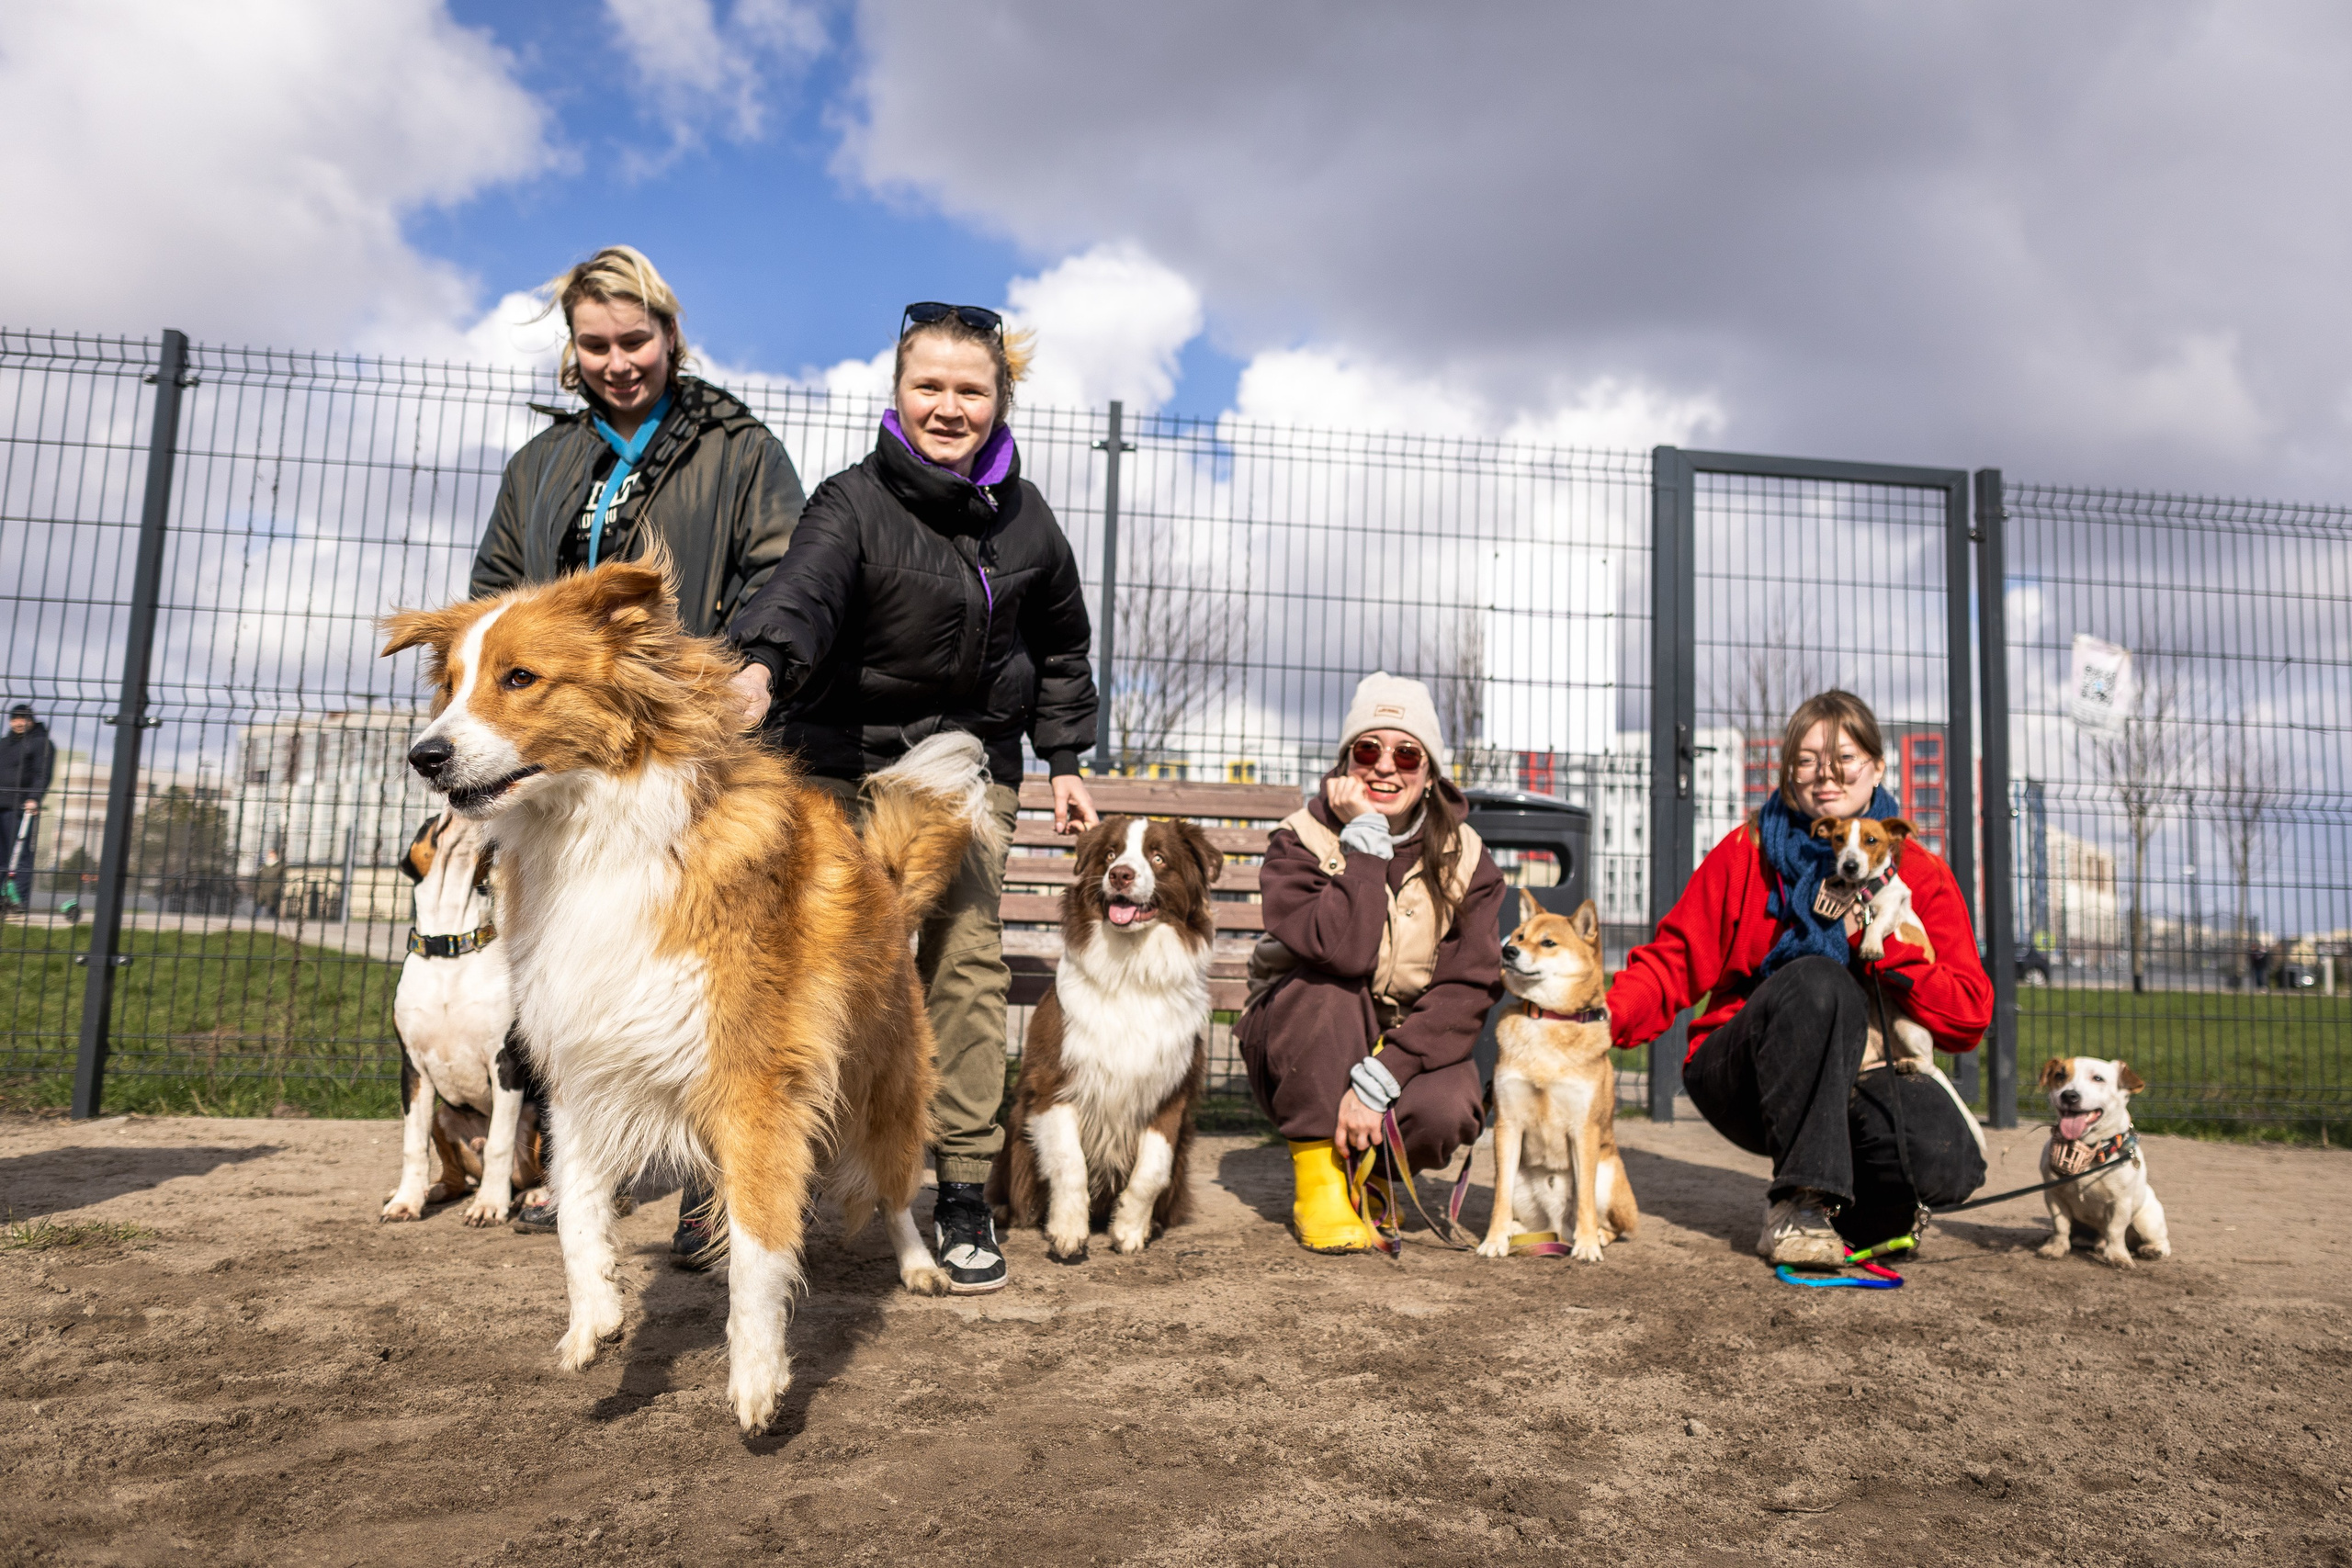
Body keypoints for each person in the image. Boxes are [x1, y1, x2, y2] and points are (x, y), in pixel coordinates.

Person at [730, 300, 1100, 1294]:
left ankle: (963, 1190)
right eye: (927, 386)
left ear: (998, 400)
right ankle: (777, 1171)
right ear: (898, 394)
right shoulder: (849, 502)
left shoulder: (1030, 521)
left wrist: (1065, 760)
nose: (947, 406)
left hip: (964, 766)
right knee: (805, 963)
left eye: (968, 389)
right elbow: (800, 592)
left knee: (965, 959)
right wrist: (760, 669)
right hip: (838, 757)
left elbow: (1061, 646)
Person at [468, 246, 807, 1245]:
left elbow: (781, 572)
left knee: (694, 963)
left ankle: (715, 1185)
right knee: (570, 957)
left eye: (635, 340)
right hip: (552, 756)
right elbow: (496, 587)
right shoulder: (542, 465)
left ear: (670, 335)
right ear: (570, 352)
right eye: (595, 344)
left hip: (685, 742)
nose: (617, 361)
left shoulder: (737, 447)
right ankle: (581, 1169)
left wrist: (746, 672)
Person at [1609, 690, 1992, 1262]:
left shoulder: (1919, 873)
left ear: (1878, 768)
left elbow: (1968, 1018)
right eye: (1807, 760)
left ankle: (1858, 1209)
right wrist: (1600, 1017)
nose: (1825, 776)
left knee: (1947, 1158)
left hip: (1866, 1068)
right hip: (1747, 1071)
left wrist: (1886, 947)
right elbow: (1673, 960)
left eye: (1844, 760)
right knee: (1818, 980)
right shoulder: (1750, 849)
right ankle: (1798, 1203)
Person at [1234, 672, 1507, 1254]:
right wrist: (1364, 842)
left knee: (1449, 1105)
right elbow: (1343, 952)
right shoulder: (1299, 839)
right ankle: (1322, 1183)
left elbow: (1470, 984)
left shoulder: (1470, 858)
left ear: (1429, 773)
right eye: (1368, 750)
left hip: (1404, 1038)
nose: (1385, 767)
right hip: (1300, 1038)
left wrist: (1388, 1072)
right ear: (1344, 764)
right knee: (1327, 988)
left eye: (1407, 754)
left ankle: (1374, 1177)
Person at [0, 703, 54, 909]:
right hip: (1, 804)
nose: (18, 723)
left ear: (30, 720)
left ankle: (18, 900)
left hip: (20, 807)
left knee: (19, 855)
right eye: (15, 719)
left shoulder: (40, 743)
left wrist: (34, 798)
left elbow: (42, 774)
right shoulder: (5, 744)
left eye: (23, 719)